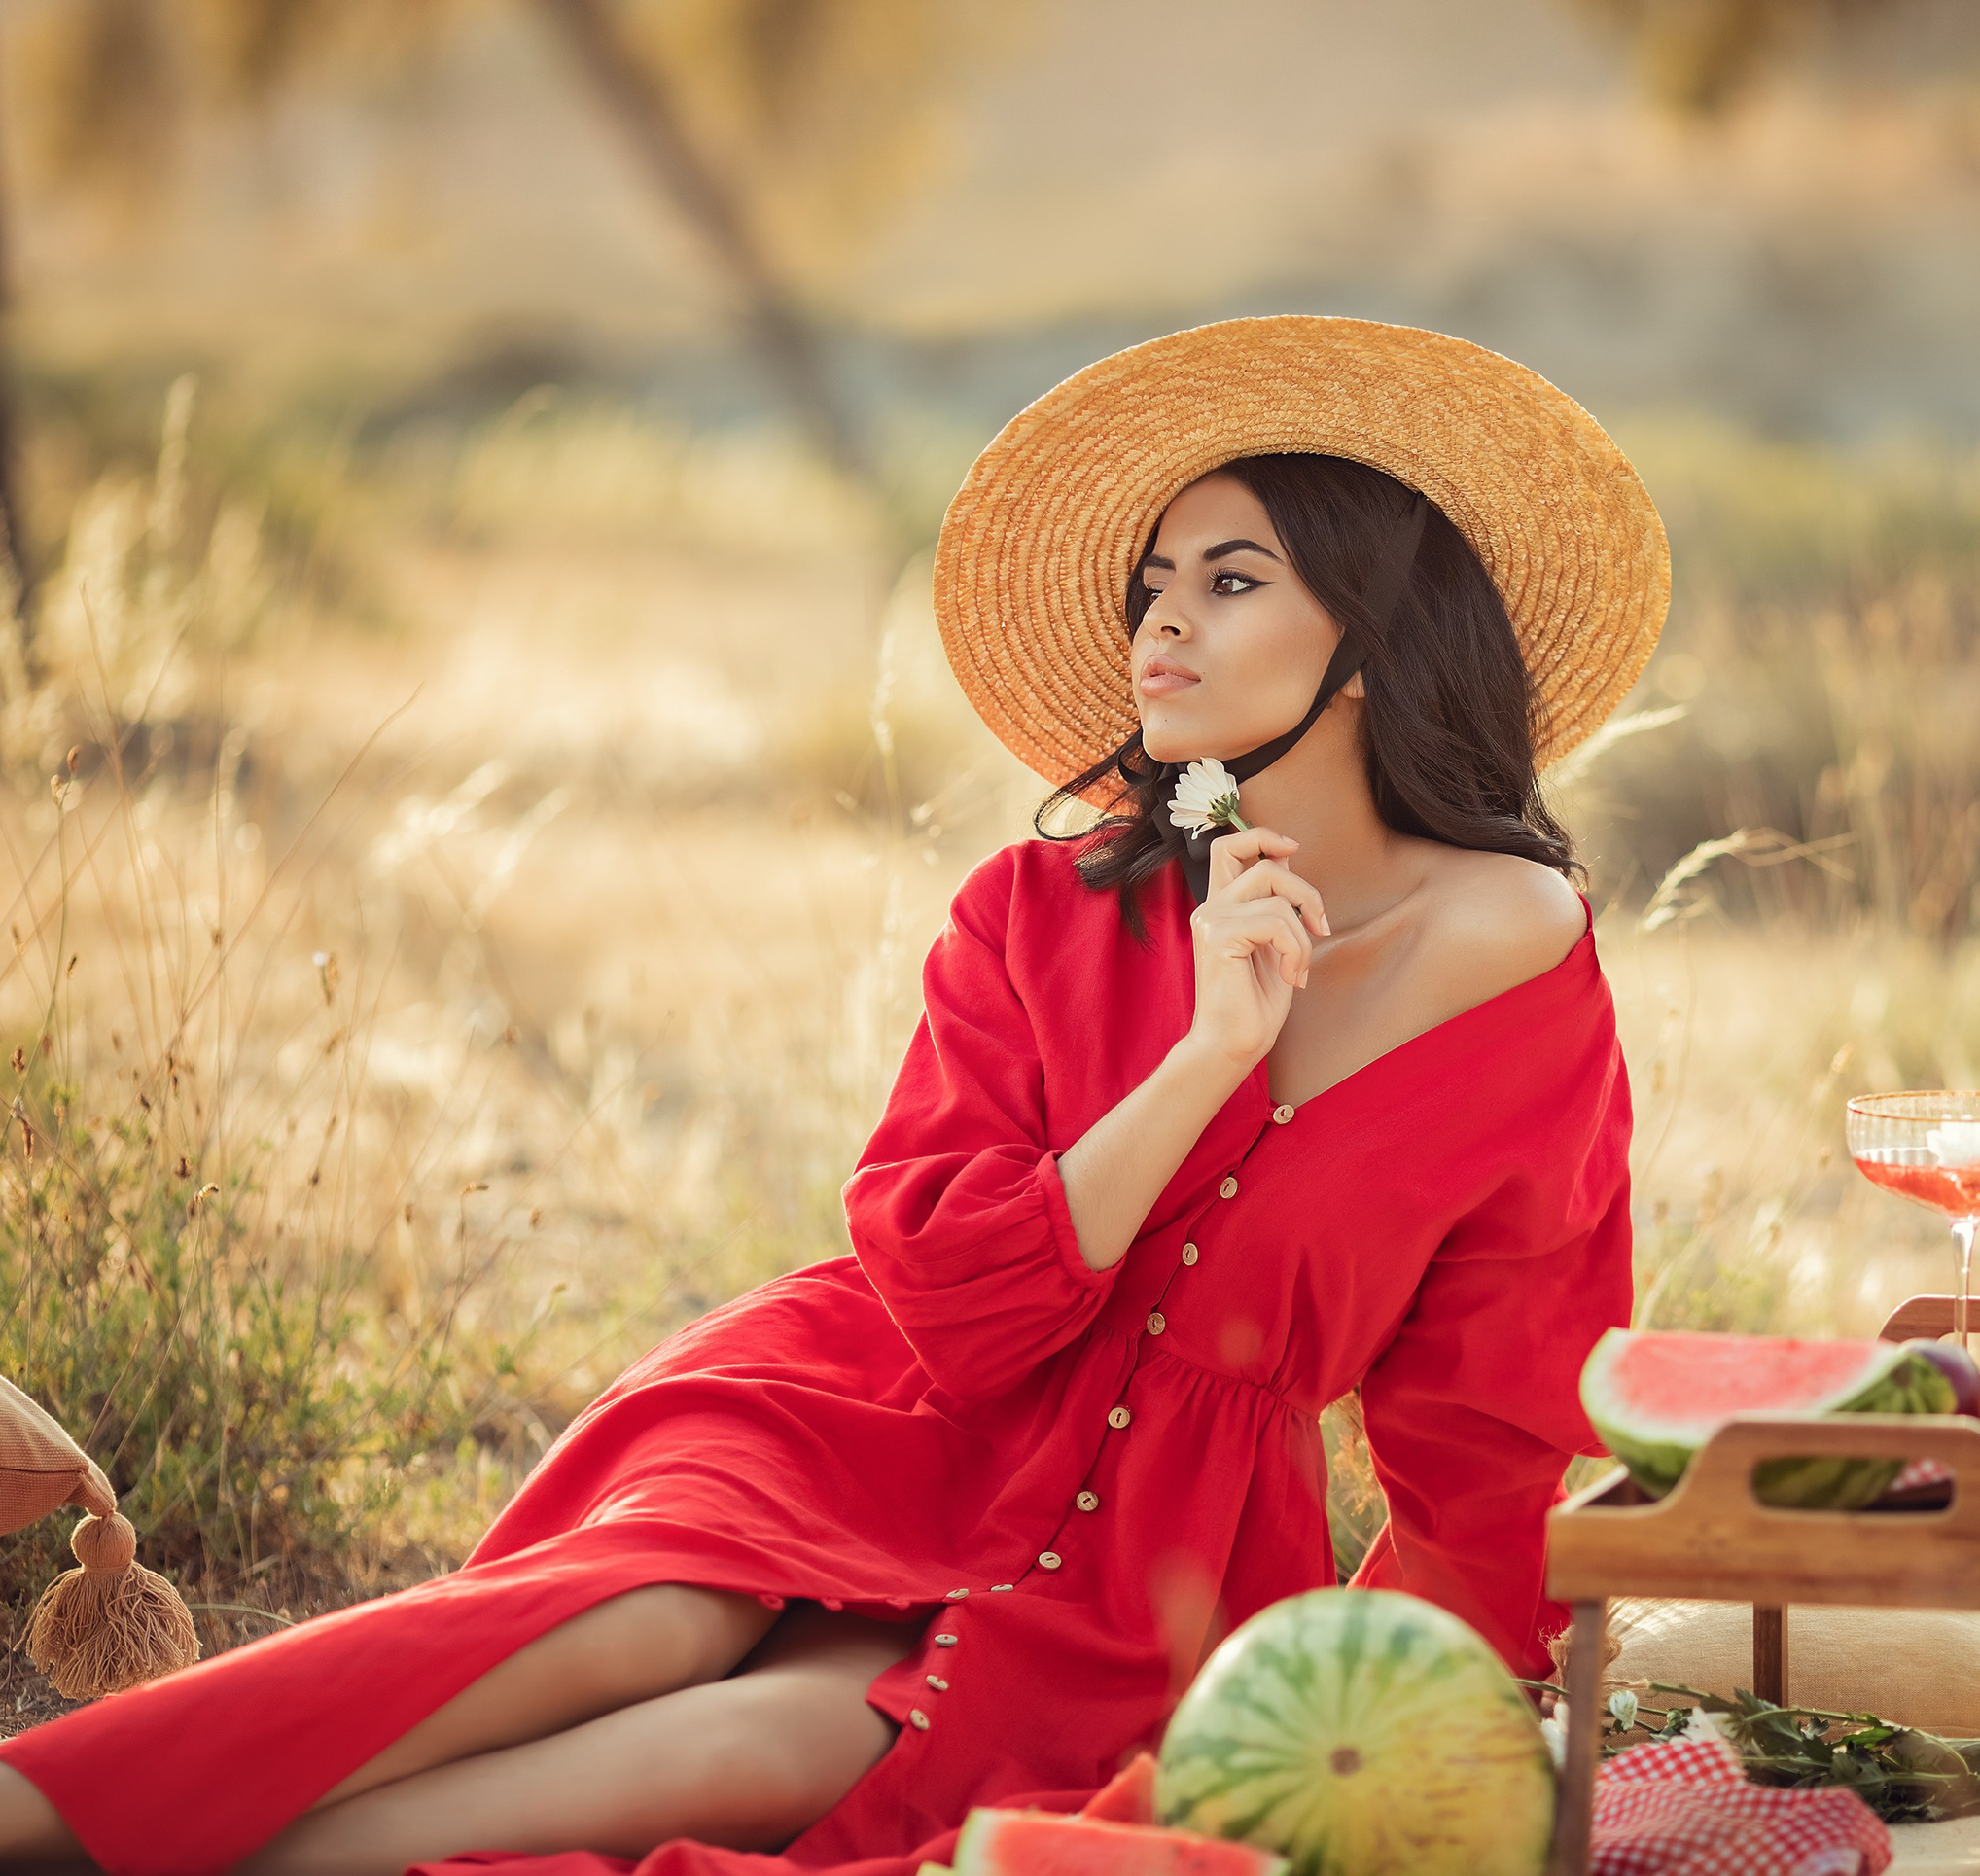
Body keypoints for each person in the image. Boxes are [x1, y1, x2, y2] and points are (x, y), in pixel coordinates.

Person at [0, 315, 1671, 1876]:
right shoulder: (1039, 913)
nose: (1161, 621)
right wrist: (1204, 1059)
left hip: (1153, 1570)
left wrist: (1363, 1726)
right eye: (1153, 580)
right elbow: (948, 1296)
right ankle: (48, 1810)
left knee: (752, 1744)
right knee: (645, 1627)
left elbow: (1495, 1436)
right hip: (875, 1414)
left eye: (1232, 581)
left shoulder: (1516, 959)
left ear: (1372, 644)